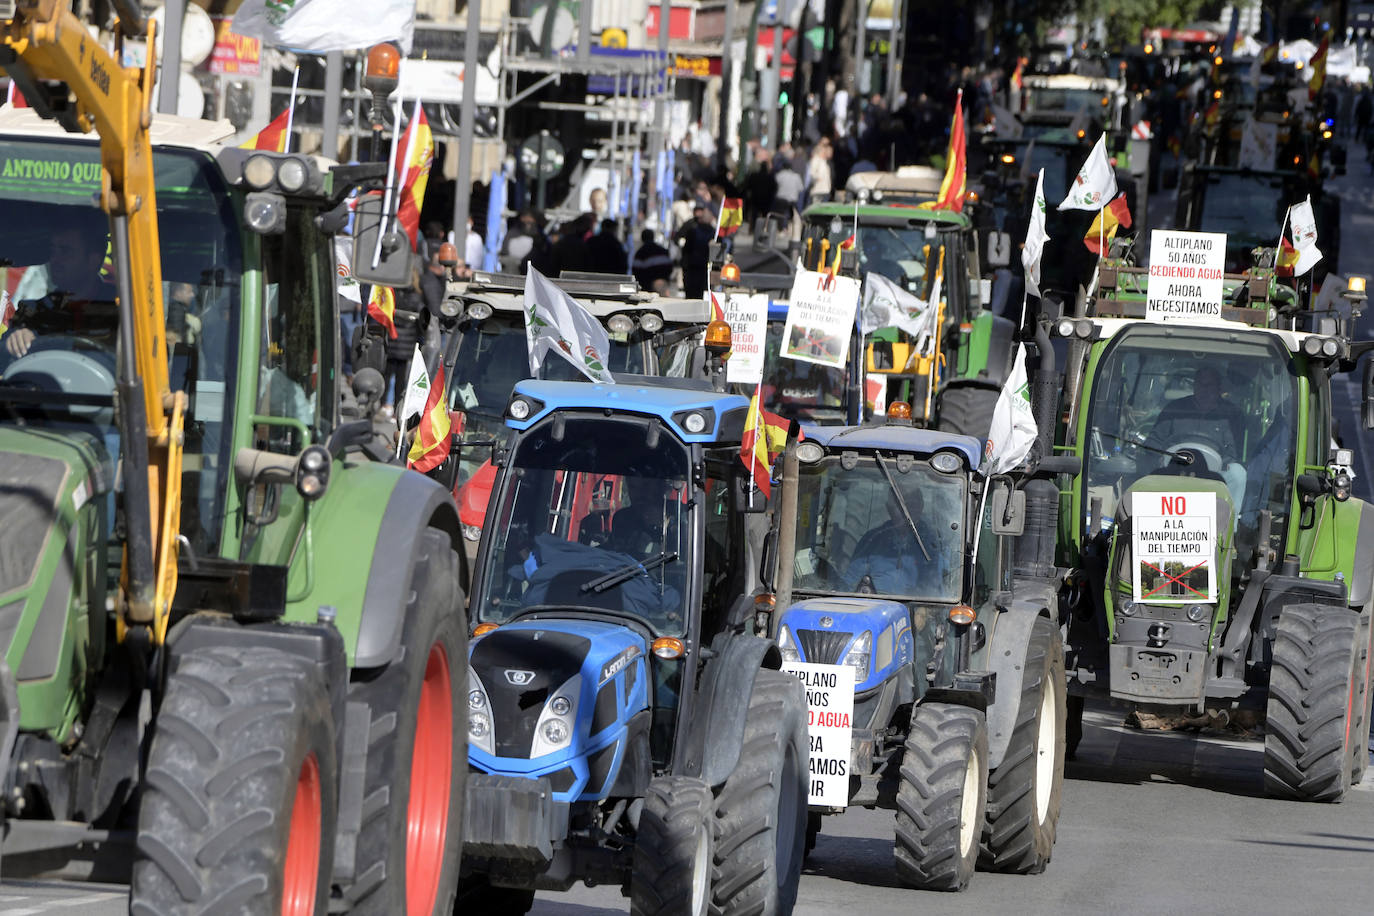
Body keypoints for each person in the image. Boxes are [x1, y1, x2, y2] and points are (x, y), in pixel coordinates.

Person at [4, 221, 112, 357]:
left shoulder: (123, 309)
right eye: (53, 251)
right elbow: (2, 352)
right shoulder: (32, 311)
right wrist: (15, 339)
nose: (55, 259)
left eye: (65, 251)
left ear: (93, 260)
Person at [843, 488, 942, 595]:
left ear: (920, 507)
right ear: (889, 509)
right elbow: (849, 583)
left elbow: (936, 589)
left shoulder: (933, 544)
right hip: (872, 601)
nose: (906, 512)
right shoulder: (872, 540)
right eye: (899, 506)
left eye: (911, 505)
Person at [1145, 365, 1245, 455]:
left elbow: (1235, 452)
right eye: (1200, 384)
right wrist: (1164, 456)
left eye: (1209, 385)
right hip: (1174, 465)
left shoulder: (1232, 414)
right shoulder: (1174, 409)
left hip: (1216, 469)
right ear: (1194, 386)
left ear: (1219, 388)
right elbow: (1153, 443)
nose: (1204, 389)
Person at [675, 204, 715, 300]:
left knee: (694, 294)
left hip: (698, 267)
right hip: (695, 267)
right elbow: (680, 240)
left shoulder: (710, 232)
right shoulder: (691, 227)